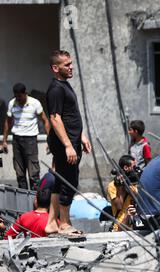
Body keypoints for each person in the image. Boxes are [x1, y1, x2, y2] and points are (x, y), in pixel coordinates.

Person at [44, 50, 91, 237]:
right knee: (69, 181)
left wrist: (81, 136)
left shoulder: (65, 85)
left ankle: (51, 223)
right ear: (56, 68)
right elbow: (55, 118)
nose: (71, 67)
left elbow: (70, 115)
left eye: (71, 63)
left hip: (72, 139)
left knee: (60, 181)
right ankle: (64, 224)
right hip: (66, 143)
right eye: (67, 65)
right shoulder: (56, 89)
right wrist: (68, 145)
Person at [2, 83, 50, 190]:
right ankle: (23, 200)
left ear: (25, 93)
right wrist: (4, 140)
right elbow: (8, 122)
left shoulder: (34, 103)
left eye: (20, 96)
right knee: (20, 173)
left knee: (33, 173)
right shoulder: (12, 104)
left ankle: (35, 200)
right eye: (16, 96)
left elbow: (45, 121)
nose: (18, 98)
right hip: (17, 140)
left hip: (30, 140)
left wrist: (49, 140)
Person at [107, 155, 139, 232]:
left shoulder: (135, 183)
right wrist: (119, 187)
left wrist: (127, 186)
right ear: (126, 168)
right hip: (121, 227)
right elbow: (119, 206)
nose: (136, 170)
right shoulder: (112, 185)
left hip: (137, 225)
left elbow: (139, 199)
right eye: (133, 167)